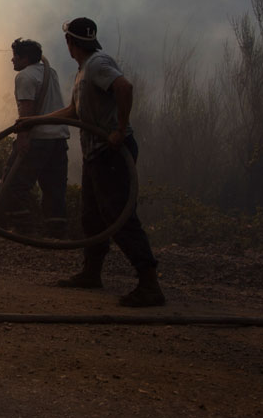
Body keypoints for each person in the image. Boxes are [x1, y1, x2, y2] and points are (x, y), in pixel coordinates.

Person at [18, 17, 165, 307]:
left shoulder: (97, 64)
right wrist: (34, 121)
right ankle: (91, 273)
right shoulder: (84, 71)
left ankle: (149, 283)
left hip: (111, 152)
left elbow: (125, 88)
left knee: (118, 216)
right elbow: (75, 111)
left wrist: (120, 130)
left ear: (71, 43)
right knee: (92, 217)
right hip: (96, 153)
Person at [2, 38, 70, 238]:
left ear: (24, 58)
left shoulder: (25, 76)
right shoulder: (50, 72)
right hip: (58, 140)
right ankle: (56, 236)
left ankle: (23, 232)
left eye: (15, 56)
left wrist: (23, 139)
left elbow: (27, 111)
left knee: (11, 184)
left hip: (38, 139)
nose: (12, 60)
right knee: (54, 191)